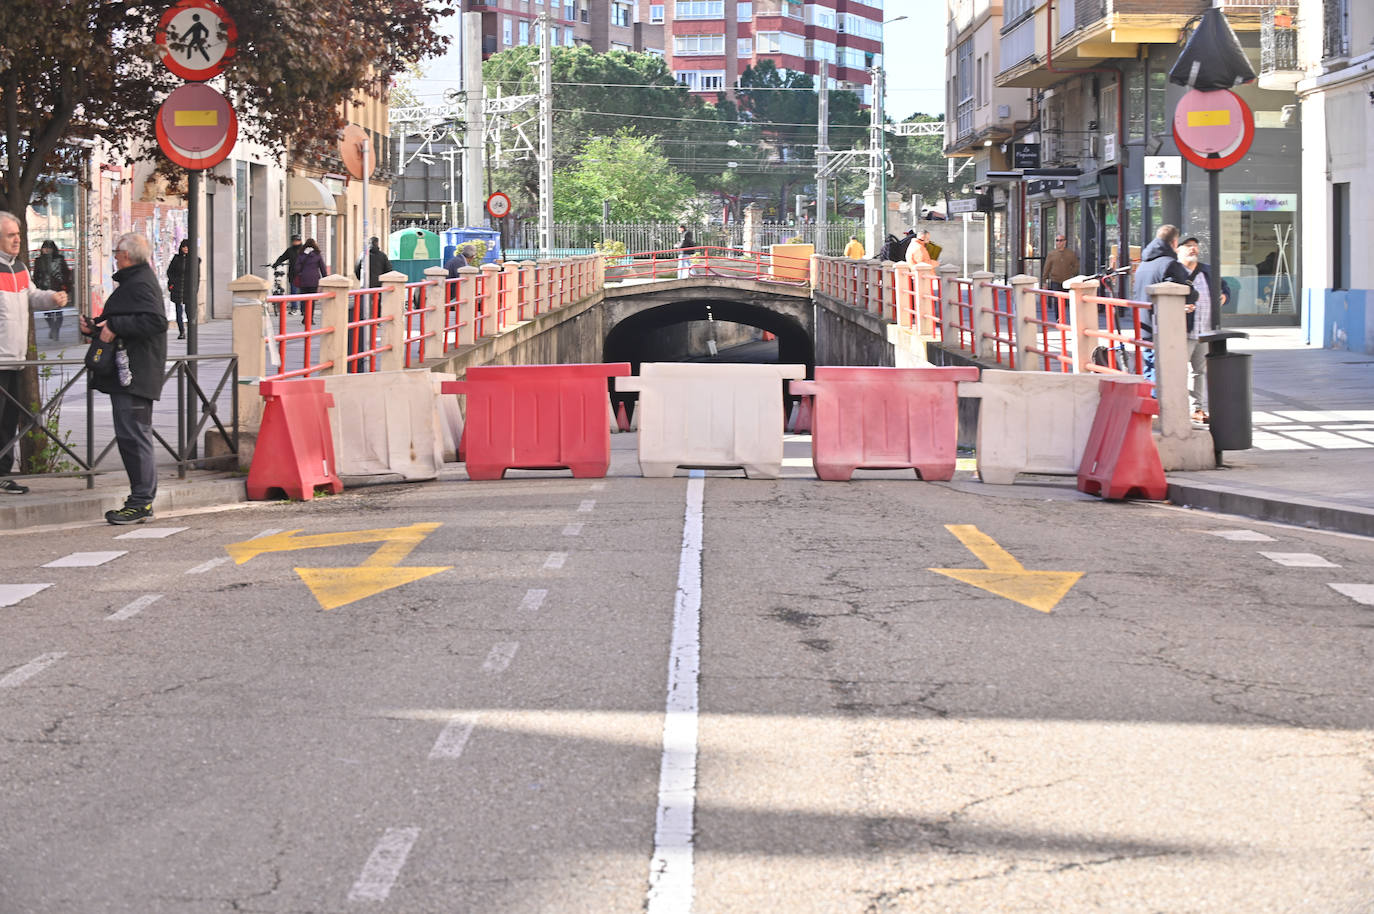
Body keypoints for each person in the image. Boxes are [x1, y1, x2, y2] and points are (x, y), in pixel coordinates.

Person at [77, 233, 167, 525]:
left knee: (134, 436)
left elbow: (156, 321)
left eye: (117, 252)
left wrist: (115, 324)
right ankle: (140, 500)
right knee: (131, 436)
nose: (115, 256)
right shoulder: (135, 280)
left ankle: (141, 502)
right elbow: (130, 318)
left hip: (136, 375)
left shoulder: (140, 282)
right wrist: (97, 327)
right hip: (130, 373)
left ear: (127, 255)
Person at [0, 213, 68, 495]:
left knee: (7, 423)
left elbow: (32, 294)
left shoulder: (20, 269)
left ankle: (3, 475)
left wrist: (50, 298)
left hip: (16, 360)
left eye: (17, 234)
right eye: (10, 235)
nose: (17, 239)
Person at [1132, 224, 1197, 386]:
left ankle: (1149, 405)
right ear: (1175, 243)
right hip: (1163, 327)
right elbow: (1187, 291)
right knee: (1162, 373)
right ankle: (1157, 407)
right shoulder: (1170, 264)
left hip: (1144, 324)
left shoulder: (1144, 264)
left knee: (1150, 368)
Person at [1179, 237, 1230, 424]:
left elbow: (1224, 287)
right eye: (1188, 246)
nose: (1193, 249)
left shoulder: (1207, 270)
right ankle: (1176, 407)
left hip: (1205, 331)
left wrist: (1224, 295)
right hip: (1184, 331)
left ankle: (1196, 408)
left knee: (1198, 371)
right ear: (1178, 250)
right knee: (1177, 371)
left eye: (1195, 246)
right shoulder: (1174, 272)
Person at [32, 240, 72, 340]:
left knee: (58, 312)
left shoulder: (59, 259)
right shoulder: (39, 260)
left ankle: (55, 329)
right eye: (45, 248)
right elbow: (36, 275)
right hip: (44, 288)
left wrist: (65, 286)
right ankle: (53, 327)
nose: (46, 250)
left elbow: (66, 273)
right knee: (47, 312)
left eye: (49, 248)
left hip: (57, 287)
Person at [1040, 232, 1080, 322]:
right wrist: (1044, 281)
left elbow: (1076, 266)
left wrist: (1071, 274)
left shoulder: (1070, 254)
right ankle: (1059, 318)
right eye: (1057, 240)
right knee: (1057, 301)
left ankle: (1071, 318)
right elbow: (1047, 268)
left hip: (1067, 281)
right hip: (1055, 280)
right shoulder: (1052, 254)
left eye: (1061, 240)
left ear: (1064, 242)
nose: (1059, 242)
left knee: (1068, 300)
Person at [166, 239, 197, 340]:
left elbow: (197, 276)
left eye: (187, 247)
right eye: (184, 247)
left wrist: (195, 289)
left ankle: (191, 331)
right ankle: (181, 332)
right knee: (178, 312)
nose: (185, 249)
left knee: (189, 312)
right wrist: (172, 284)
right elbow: (170, 272)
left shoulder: (194, 260)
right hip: (177, 289)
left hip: (188, 289)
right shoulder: (176, 259)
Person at [294, 239, 327, 323]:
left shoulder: (301, 254)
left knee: (304, 299)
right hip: (314, 280)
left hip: (303, 280)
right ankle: (310, 319)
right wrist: (325, 278)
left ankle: (305, 317)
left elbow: (297, 268)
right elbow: (322, 268)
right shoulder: (317, 254)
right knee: (312, 301)